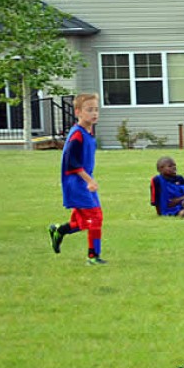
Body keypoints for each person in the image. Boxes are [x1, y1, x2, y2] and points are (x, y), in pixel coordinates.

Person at [47, 93, 107, 265]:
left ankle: (59, 230)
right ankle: (93, 257)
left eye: (96, 110)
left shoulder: (88, 132)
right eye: (89, 110)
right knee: (95, 218)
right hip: (77, 183)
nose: (94, 113)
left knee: (83, 220)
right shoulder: (77, 135)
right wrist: (89, 180)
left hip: (84, 181)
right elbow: (70, 162)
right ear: (78, 112)